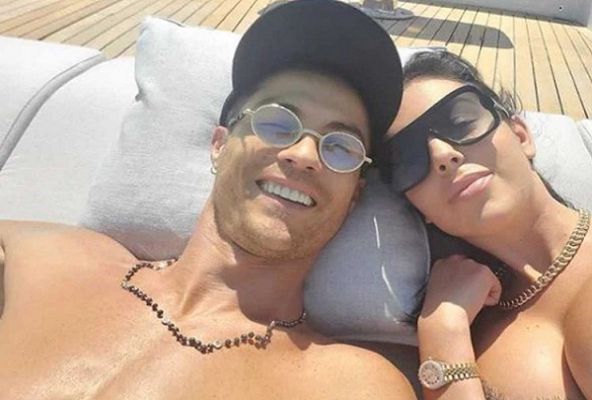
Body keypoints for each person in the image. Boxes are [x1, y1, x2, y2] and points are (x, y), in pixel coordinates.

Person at [0, 1, 417, 398]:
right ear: (219, 145)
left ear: (355, 195)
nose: (304, 154)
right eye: (277, 123)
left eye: (340, 146)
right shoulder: (49, 259)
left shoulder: (348, 385)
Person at [380, 50, 592, 399]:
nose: (442, 154)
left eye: (461, 122)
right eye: (409, 158)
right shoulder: (475, 317)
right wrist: (444, 326)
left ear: (521, 136)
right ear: (419, 208)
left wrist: (443, 332)